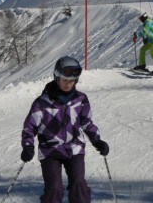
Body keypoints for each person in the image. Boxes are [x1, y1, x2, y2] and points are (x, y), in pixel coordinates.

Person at [21, 56, 109, 203]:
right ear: (56, 78)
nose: (68, 84)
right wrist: (28, 146)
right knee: (54, 188)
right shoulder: (41, 103)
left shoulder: (80, 100)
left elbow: (87, 122)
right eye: (65, 80)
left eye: (72, 81)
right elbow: (29, 128)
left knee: (79, 184)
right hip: (50, 151)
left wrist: (97, 141)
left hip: (74, 149)